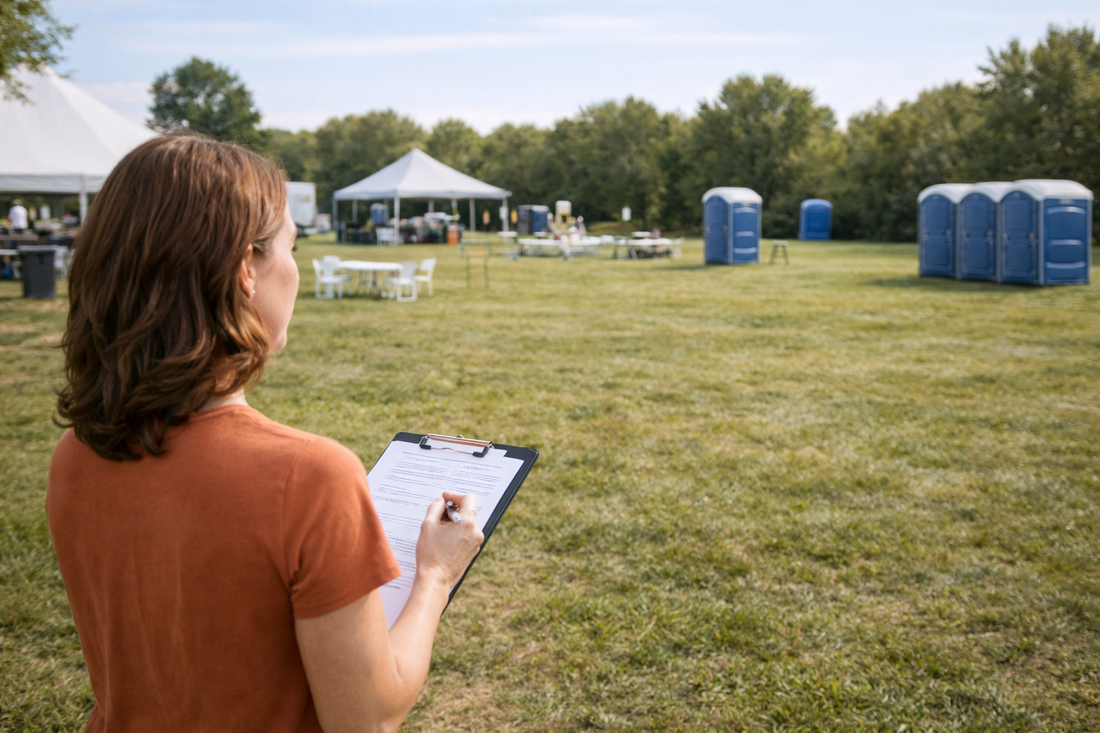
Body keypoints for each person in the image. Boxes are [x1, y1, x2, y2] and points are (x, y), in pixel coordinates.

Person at [47, 135, 484, 733]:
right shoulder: (309, 477)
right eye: (290, 247)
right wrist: (435, 576)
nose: (295, 271)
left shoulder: (75, 453)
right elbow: (367, 719)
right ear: (243, 271)